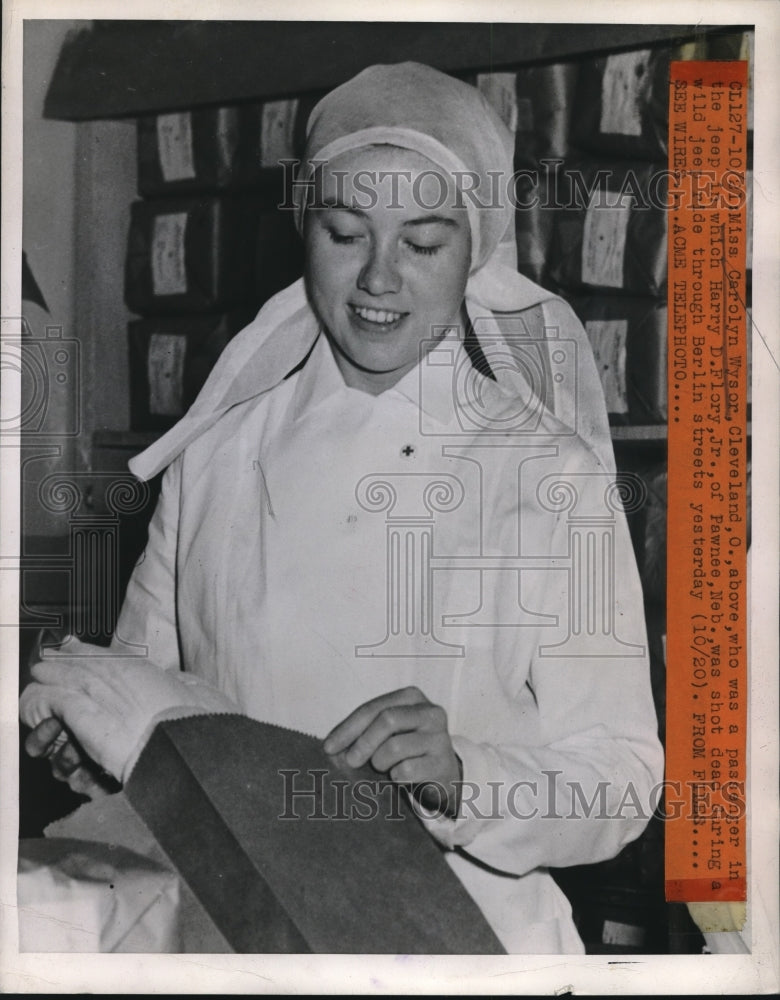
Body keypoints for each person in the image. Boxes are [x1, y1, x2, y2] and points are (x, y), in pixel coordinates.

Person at [21, 62, 664, 954]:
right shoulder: (217, 454)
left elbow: (621, 780)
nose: (378, 279)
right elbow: (152, 702)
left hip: (463, 940)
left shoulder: (547, 474)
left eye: (423, 243)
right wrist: (91, 748)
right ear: (304, 230)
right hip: (233, 925)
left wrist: (464, 776)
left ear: (474, 249)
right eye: (345, 232)